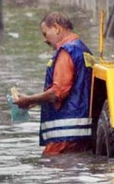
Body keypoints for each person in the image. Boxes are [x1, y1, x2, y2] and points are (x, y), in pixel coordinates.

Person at [13, 13, 95, 155]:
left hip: (65, 134)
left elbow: (58, 92)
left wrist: (29, 99)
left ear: (56, 28)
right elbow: (77, 90)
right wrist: (36, 102)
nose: (45, 40)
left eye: (45, 34)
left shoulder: (66, 51)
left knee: (53, 167)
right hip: (82, 132)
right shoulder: (83, 50)